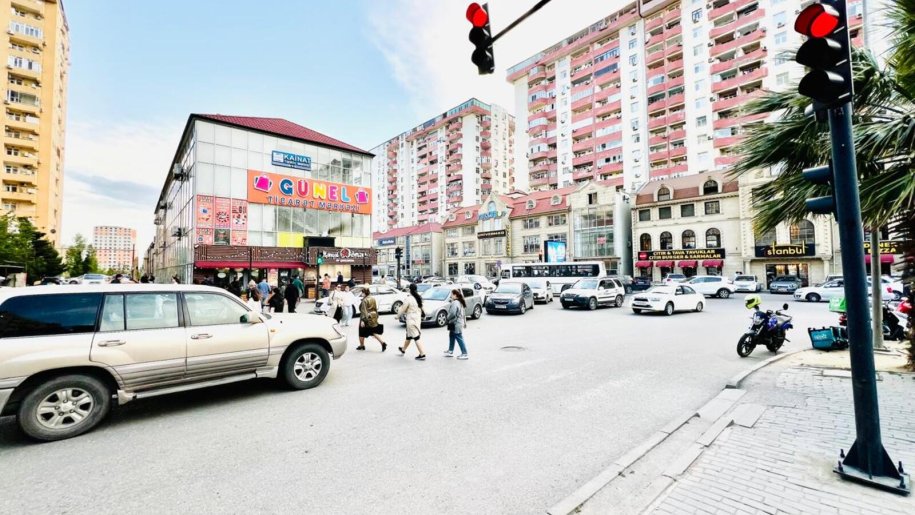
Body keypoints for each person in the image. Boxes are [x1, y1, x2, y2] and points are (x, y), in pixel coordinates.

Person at [397, 283, 426, 360]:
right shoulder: (418, 298)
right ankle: (403, 349)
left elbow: (403, 309)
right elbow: (422, 309)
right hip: (417, 320)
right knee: (409, 336)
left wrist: (397, 316)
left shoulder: (409, 299)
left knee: (416, 337)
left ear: (409, 289)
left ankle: (422, 354)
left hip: (411, 320)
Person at [358, 287, 387, 352]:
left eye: (362, 293)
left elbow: (364, 311)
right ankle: (382, 343)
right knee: (372, 332)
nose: (361, 294)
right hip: (372, 317)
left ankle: (362, 346)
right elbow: (375, 308)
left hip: (365, 318)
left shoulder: (365, 300)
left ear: (365, 293)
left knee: (361, 332)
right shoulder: (372, 298)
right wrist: (376, 316)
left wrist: (363, 320)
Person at [444, 289, 468, 360]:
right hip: (457, 323)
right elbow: (463, 314)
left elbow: (452, 313)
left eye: (451, 294)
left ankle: (464, 353)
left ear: (455, 295)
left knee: (458, 337)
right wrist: (465, 322)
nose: (451, 296)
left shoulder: (455, 302)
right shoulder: (460, 302)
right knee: (451, 335)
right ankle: (450, 351)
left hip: (456, 323)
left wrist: (447, 318)